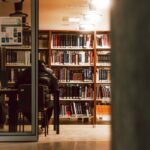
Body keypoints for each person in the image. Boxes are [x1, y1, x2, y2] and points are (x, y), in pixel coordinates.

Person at [15, 60, 59, 132]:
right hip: (43, 103)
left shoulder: (25, 72)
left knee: (23, 106)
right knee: (51, 105)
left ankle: (34, 124)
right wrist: (48, 90)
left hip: (27, 102)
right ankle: (44, 125)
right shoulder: (49, 73)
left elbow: (16, 86)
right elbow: (56, 88)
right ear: (44, 65)